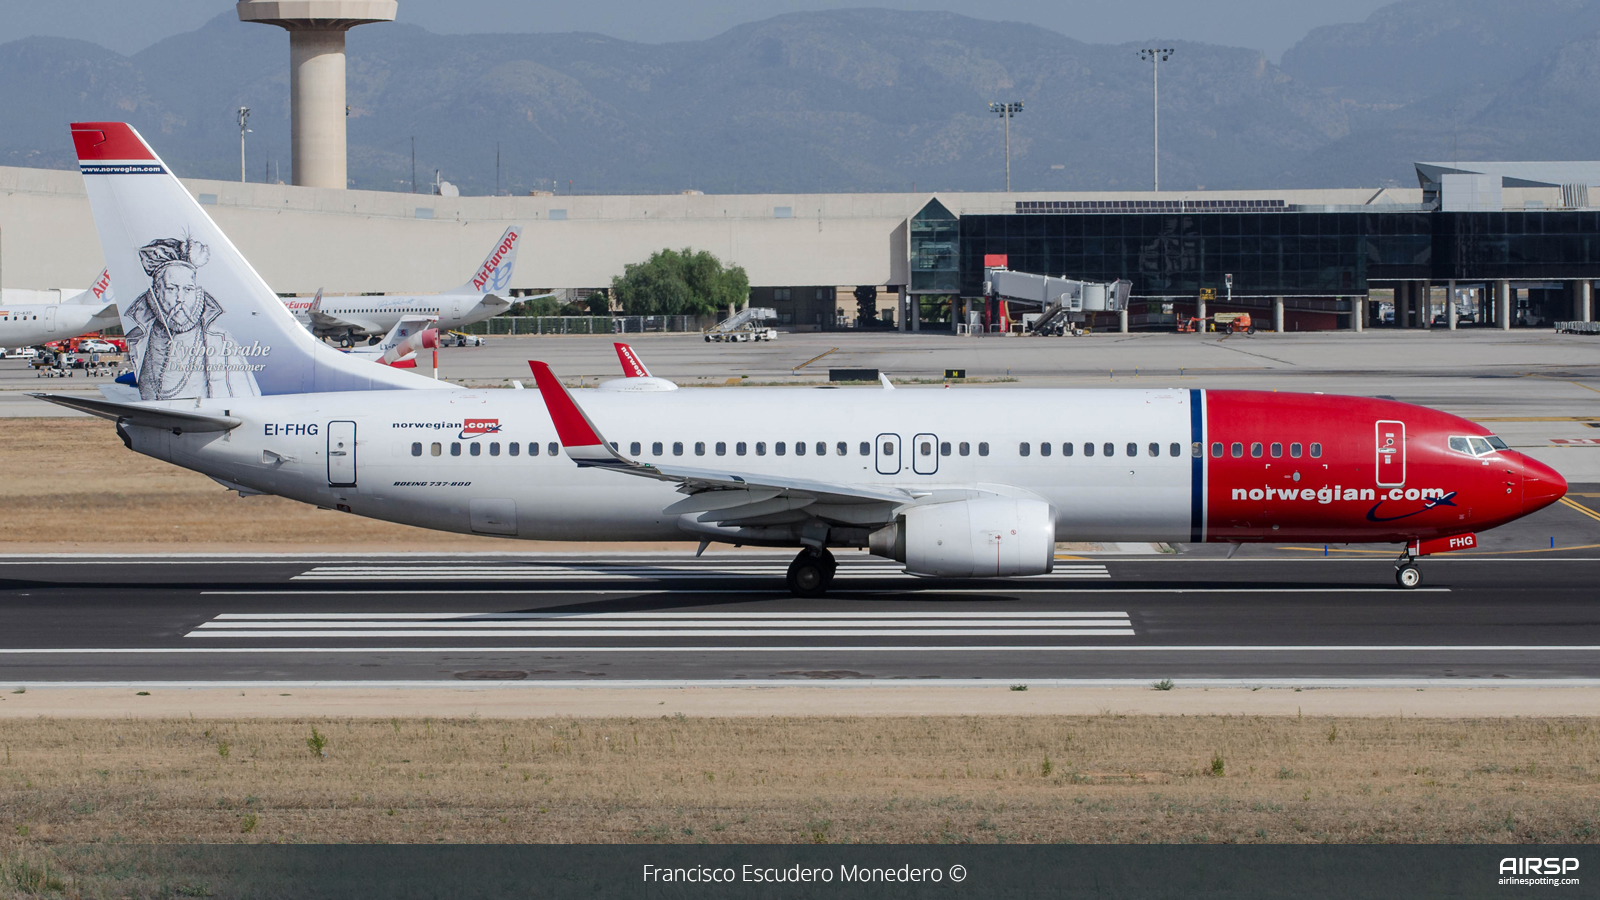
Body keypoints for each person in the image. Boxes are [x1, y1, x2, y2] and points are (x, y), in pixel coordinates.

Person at [125, 237, 260, 400]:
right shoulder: (138, 338)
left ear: (197, 292)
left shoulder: (220, 339)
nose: (180, 298)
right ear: (157, 292)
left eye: (188, 289)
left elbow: (241, 399)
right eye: (171, 289)